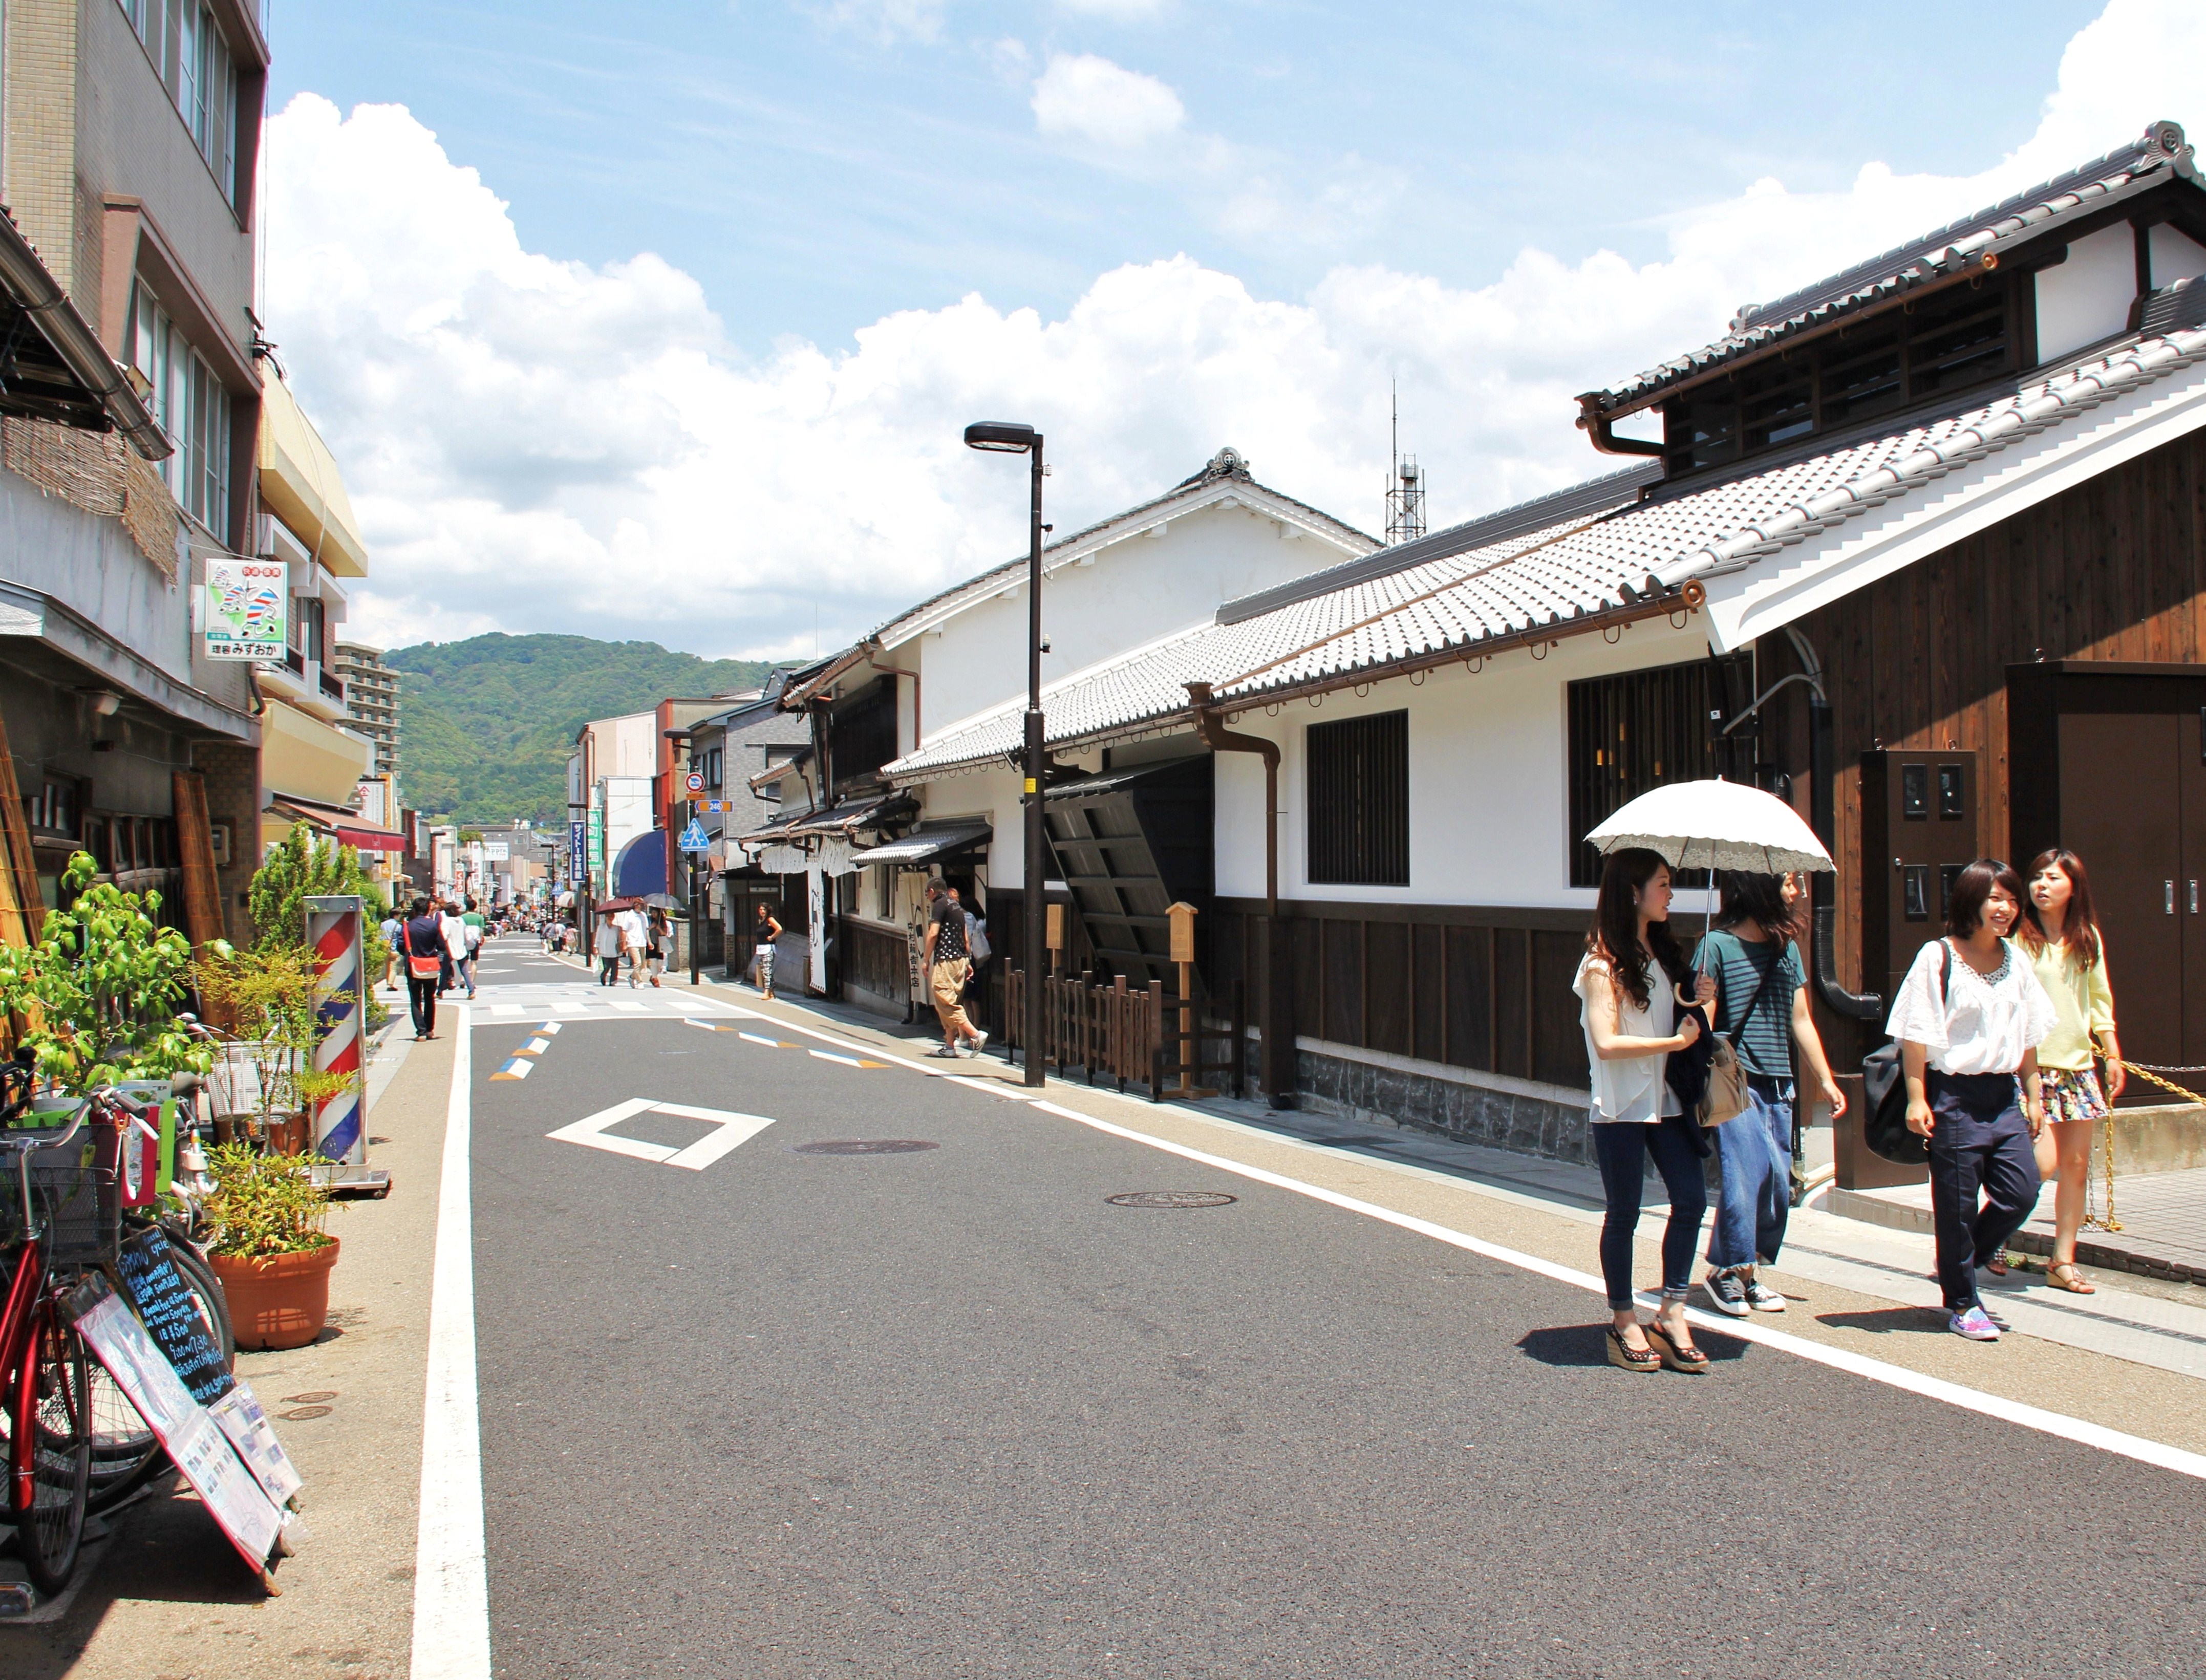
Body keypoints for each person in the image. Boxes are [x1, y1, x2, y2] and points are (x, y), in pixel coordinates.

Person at [1889, 857, 2057, 1342]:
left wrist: (2033, 1093)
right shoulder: (1937, 956)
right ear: (1971, 902)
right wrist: (1917, 1098)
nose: (2005, 909)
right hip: (1953, 1096)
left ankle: (1957, 1265)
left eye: (2010, 899)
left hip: (2002, 1095)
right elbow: (1916, 1034)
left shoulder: (2015, 959)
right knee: (1957, 1206)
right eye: (1994, 898)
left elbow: (2026, 1034)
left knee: (2021, 1192)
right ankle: (1963, 1302)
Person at [1573, 847, 1714, 1374]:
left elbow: (1689, 1029)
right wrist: (1672, 1045)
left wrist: (1700, 998)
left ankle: (1673, 1310)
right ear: (1633, 892)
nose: (1670, 894)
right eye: (1662, 884)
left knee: (1692, 1199)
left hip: (1668, 1100)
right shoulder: (1599, 964)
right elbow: (1606, 1044)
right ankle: (1624, 1318)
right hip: (1621, 1103)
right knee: (1625, 1211)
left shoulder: (1662, 955)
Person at [1694, 871, 1848, 1317]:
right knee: (1746, 1175)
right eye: (1788, 882)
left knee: (1778, 1182)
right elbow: (1702, 1024)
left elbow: (1800, 1019)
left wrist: (1825, 1078)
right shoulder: (1716, 946)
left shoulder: (1787, 950)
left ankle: (1745, 1270)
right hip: (1734, 1080)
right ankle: (1729, 1270)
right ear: (1760, 886)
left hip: (1779, 1082)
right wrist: (1700, 998)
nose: (1797, 890)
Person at [2020, 848, 2124, 1295]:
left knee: (2076, 1165)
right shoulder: (2018, 938)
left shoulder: (2087, 938)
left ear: (2073, 888)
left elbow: (2098, 1000)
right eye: (2037, 877)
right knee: (2036, 1165)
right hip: (2030, 1067)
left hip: (2077, 1067)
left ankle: (2062, 1259)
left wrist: (2111, 1052)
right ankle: (1993, 1235)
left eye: (2053, 878)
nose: (2041, 885)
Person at [922, 879, 987, 1060]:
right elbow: (965, 938)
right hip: (960, 960)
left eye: (927, 892)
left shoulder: (940, 905)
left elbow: (933, 933)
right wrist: (967, 962)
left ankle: (975, 1034)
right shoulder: (957, 907)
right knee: (950, 1001)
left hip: (947, 960)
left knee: (944, 998)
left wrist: (926, 959)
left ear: (932, 891)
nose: (927, 896)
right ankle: (949, 1045)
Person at [399, 896, 448, 1041]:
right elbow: (442, 946)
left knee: (415, 999)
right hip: (430, 966)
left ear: (414, 910)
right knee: (429, 998)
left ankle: (421, 1032)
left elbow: (401, 946)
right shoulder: (434, 925)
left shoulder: (408, 926)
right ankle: (430, 1030)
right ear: (428, 909)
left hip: (413, 966)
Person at [438, 899, 468, 996]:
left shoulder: (447, 922)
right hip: (461, 947)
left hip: (449, 949)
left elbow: (444, 935)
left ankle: (440, 991)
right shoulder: (461, 920)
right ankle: (471, 990)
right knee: (464, 970)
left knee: (444, 971)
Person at [754, 901, 783, 999]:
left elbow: (779, 929)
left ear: (768, 910)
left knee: (767, 970)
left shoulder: (770, 919)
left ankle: (766, 992)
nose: (762, 911)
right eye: (761, 909)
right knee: (764, 970)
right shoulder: (760, 921)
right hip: (761, 947)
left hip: (768, 947)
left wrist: (772, 937)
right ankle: (771, 991)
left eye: (764, 910)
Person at [617, 903, 648, 988]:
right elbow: (624, 930)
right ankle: (640, 981)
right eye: (641, 905)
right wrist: (624, 943)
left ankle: (631, 977)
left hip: (642, 942)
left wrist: (650, 942)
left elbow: (646, 929)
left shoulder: (643, 915)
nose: (642, 907)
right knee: (638, 963)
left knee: (643, 965)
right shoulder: (629, 915)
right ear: (636, 905)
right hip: (633, 942)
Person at [592, 908, 623, 986]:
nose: (610, 918)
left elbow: (620, 939)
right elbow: (598, 938)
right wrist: (596, 947)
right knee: (606, 966)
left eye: (611, 917)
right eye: (608, 917)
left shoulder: (617, 928)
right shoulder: (601, 927)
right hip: (604, 949)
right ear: (606, 918)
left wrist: (621, 932)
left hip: (614, 949)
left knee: (615, 967)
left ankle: (613, 981)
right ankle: (603, 976)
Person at [378, 908, 403, 993]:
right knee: (393, 968)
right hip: (394, 948)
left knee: (387, 966)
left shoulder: (383, 924)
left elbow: (380, 936)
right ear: (396, 915)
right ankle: (391, 984)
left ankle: (388, 982)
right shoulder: (398, 926)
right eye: (399, 915)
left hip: (385, 948)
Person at [644, 907, 670, 988]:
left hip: (660, 945)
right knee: (653, 962)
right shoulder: (648, 921)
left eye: (656, 913)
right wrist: (652, 927)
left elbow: (665, 933)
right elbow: (646, 930)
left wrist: (659, 928)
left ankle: (653, 977)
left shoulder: (662, 923)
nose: (654, 914)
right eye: (653, 912)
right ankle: (655, 979)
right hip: (651, 943)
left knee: (660, 963)